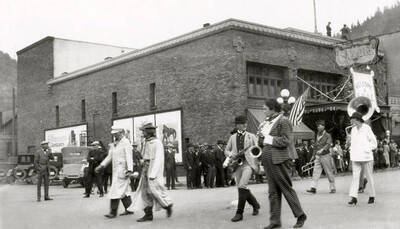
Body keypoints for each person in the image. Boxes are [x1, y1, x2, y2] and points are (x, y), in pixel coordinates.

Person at [259, 99, 306, 229]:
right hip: (268, 159)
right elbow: (263, 142)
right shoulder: (266, 123)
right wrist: (261, 137)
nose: (263, 111)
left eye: (265, 109)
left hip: (279, 159)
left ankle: (300, 215)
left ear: (272, 109)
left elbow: (286, 140)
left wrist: (268, 138)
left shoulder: (283, 121)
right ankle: (275, 221)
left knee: (286, 188)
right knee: (272, 192)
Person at [129, 122, 173, 222]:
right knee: (144, 193)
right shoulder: (146, 142)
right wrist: (142, 161)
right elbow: (145, 155)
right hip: (145, 169)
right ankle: (148, 215)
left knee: (155, 192)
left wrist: (153, 173)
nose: (142, 133)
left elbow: (158, 159)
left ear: (148, 132)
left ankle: (167, 205)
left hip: (152, 171)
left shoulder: (157, 143)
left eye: (143, 131)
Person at [224, 115, 260, 222]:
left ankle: (239, 213)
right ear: (237, 125)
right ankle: (255, 205)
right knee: (241, 188)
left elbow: (257, 150)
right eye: (242, 123)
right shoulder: (232, 137)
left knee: (242, 185)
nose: (245, 125)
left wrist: (256, 162)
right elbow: (226, 150)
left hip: (248, 164)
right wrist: (231, 155)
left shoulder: (252, 136)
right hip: (237, 164)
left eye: (245, 123)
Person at [95, 127, 134, 218]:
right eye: (113, 133)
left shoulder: (126, 142)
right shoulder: (114, 144)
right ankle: (129, 209)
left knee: (115, 190)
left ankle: (113, 212)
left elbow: (129, 156)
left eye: (116, 133)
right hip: (116, 170)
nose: (114, 135)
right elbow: (109, 156)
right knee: (124, 191)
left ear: (121, 132)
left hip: (123, 170)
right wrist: (101, 166)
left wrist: (130, 170)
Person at [347, 112, 377, 206]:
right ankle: (353, 197)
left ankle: (372, 195)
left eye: (352, 119)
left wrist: (366, 149)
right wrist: (350, 146)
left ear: (357, 119)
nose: (351, 120)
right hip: (356, 156)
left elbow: (374, 142)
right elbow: (353, 143)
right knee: (355, 177)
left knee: (369, 176)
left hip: (366, 156)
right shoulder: (353, 130)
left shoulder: (367, 128)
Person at [306, 120, 336, 194]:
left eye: (319, 126)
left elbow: (328, 144)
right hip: (318, 156)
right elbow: (315, 146)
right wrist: (313, 155)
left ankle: (332, 187)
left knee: (328, 172)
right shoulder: (317, 135)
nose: (318, 127)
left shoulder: (328, 135)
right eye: (317, 126)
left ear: (323, 126)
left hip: (325, 155)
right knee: (315, 172)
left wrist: (322, 150)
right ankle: (313, 188)